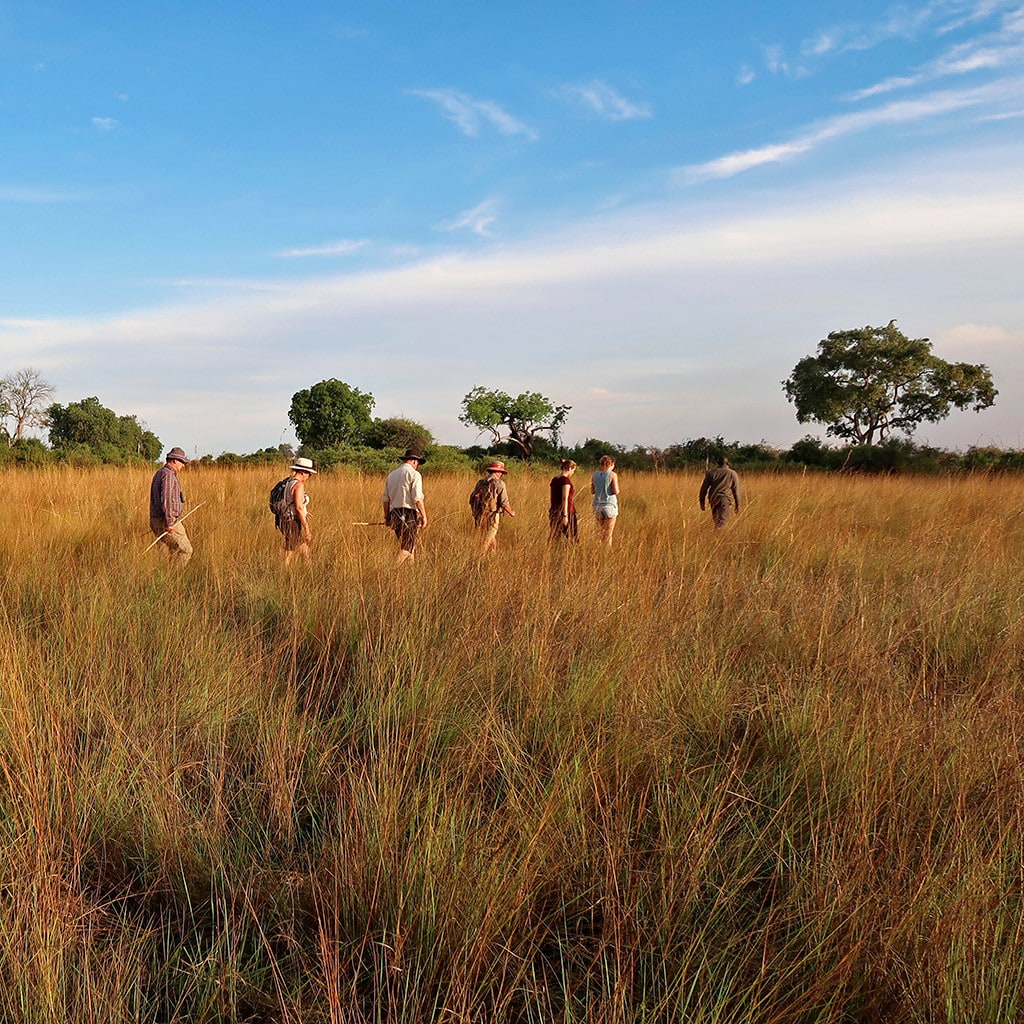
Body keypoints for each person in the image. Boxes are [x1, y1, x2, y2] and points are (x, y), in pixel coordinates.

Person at [149, 446, 193, 563]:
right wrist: (170, 522)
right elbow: (167, 499)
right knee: (186, 550)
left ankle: (167, 576)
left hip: (158, 519)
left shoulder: (160, 472)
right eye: (182, 462)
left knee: (169, 552)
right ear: (174, 460)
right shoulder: (168, 475)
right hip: (166, 521)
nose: (183, 465)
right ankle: (176, 577)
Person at [382, 449, 427, 563]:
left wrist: (387, 517)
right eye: (417, 463)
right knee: (406, 548)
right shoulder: (414, 474)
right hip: (408, 513)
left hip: (394, 514)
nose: (417, 466)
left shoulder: (391, 475)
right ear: (414, 461)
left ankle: (411, 573)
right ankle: (392, 570)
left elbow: (386, 500)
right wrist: (424, 516)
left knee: (410, 546)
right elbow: (417, 498)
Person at [274, 457, 316, 566]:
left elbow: (292, 503)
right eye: (309, 473)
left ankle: (309, 566)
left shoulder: (288, 482)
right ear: (303, 472)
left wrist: (305, 513)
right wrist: (307, 529)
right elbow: (298, 507)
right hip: (292, 521)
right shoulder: (298, 485)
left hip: (282, 519)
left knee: (302, 545)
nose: (309, 476)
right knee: (289, 550)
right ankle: (283, 573)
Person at [469, 461, 516, 554]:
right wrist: (511, 512)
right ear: (498, 472)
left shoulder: (481, 482)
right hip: (493, 514)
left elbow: (471, 498)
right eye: (501, 472)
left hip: (479, 514)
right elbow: (504, 502)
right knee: (487, 539)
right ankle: (480, 558)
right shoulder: (499, 483)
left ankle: (493, 556)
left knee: (490, 537)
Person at [699, 455, 741, 528]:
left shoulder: (711, 473)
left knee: (716, 520)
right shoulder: (732, 473)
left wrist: (702, 502)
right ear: (727, 463)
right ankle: (718, 537)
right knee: (722, 522)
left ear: (718, 463)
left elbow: (703, 489)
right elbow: (736, 491)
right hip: (725, 500)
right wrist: (738, 504)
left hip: (713, 499)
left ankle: (716, 536)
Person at [591, 455, 620, 546]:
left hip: (597, 506)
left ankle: (598, 550)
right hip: (609, 505)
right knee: (608, 534)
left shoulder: (595, 474)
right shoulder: (612, 474)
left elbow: (592, 491)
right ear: (612, 464)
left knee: (600, 532)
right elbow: (615, 491)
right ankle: (607, 553)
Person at [548, 459, 578, 542]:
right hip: (567, 511)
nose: (573, 473)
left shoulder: (554, 479)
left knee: (556, 536)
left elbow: (552, 497)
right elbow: (565, 498)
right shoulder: (566, 481)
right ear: (569, 468)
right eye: (573, 470)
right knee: (572, 537)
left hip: (554, 510)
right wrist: (565, 516)